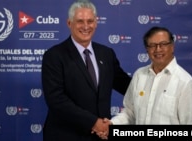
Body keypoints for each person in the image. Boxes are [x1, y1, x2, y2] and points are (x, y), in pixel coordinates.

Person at [41, 0, 131, 141]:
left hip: (100, 136)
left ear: (96, 23)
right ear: (69, 23)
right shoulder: (54, 56)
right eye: (80, 21)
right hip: (66, 136)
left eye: (90, 21)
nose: (86, 26)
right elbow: (56, 100)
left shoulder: (106, 54)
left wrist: (154, 82)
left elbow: (126, 85)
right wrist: (94, 123)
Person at [109, 26, 192, 125]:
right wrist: (111, 124)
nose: (158, 49)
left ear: (172, 47)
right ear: (147, 49)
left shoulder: (185, 83)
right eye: (152, 45)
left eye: (163, 44)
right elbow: (130, 113)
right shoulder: (139, 75)